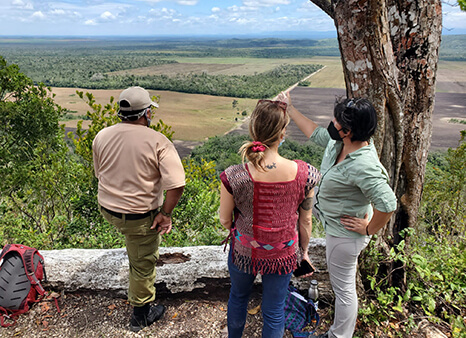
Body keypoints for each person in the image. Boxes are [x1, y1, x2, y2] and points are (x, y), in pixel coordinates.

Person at [279, 91, 397, 338]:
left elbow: (387, 203)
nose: (331, 125)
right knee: (344, 287)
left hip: (344, 236)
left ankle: (338, 335)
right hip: (337, 227)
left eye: (337, 123)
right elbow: (316, 133)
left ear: (349, 131)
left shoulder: (363, 165)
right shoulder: (341, 143)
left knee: (343, 290)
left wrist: (368, 229)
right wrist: (289, 108)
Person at [219, 99, 321, 338]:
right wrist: (303, 252)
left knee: (238, 297)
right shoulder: (305, 174)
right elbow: (305, 221)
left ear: (254, 130)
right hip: (283, 254)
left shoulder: (235, 176)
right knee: (274, 310)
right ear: (283, 133)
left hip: (244, 250)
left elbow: (225, 220)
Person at [92, 86, 185, 332]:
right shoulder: (157, 141)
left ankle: (134, 247)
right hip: (139, 216)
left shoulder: (101, 135)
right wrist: (165, 214)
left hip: (108, 209)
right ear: (146, 113)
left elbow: (99, 174)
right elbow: (176, 186)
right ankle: (141, 315)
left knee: (134, 244)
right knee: (143, 263)